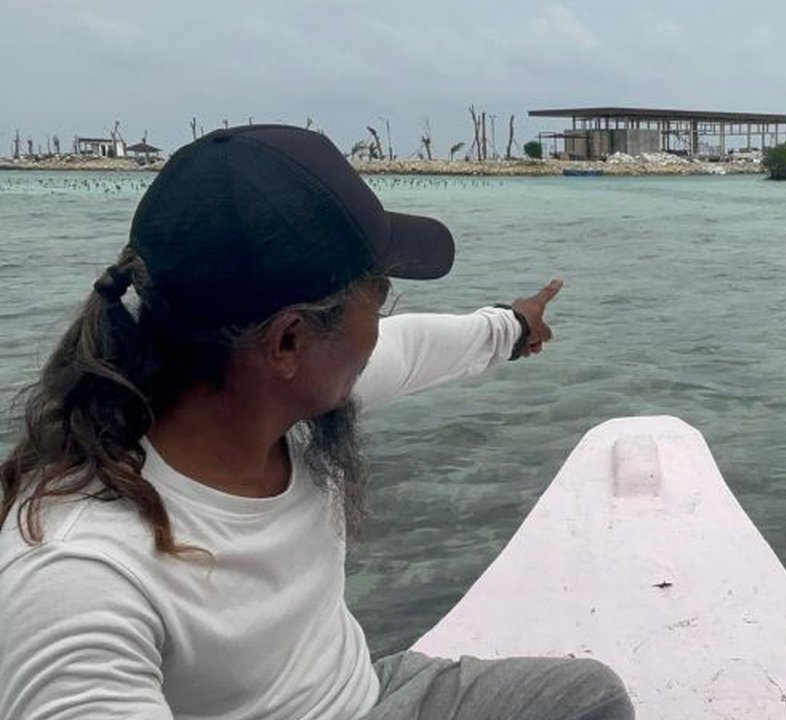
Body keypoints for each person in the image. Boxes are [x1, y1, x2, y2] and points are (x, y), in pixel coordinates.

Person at [0, 125, 634, 720]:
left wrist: (515, 326)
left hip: (368, 690)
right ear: (288, 342)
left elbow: (414, 349)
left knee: (588, 697)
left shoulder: (271, 402)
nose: (379, 327)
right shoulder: (78, 572)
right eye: (378, 298)